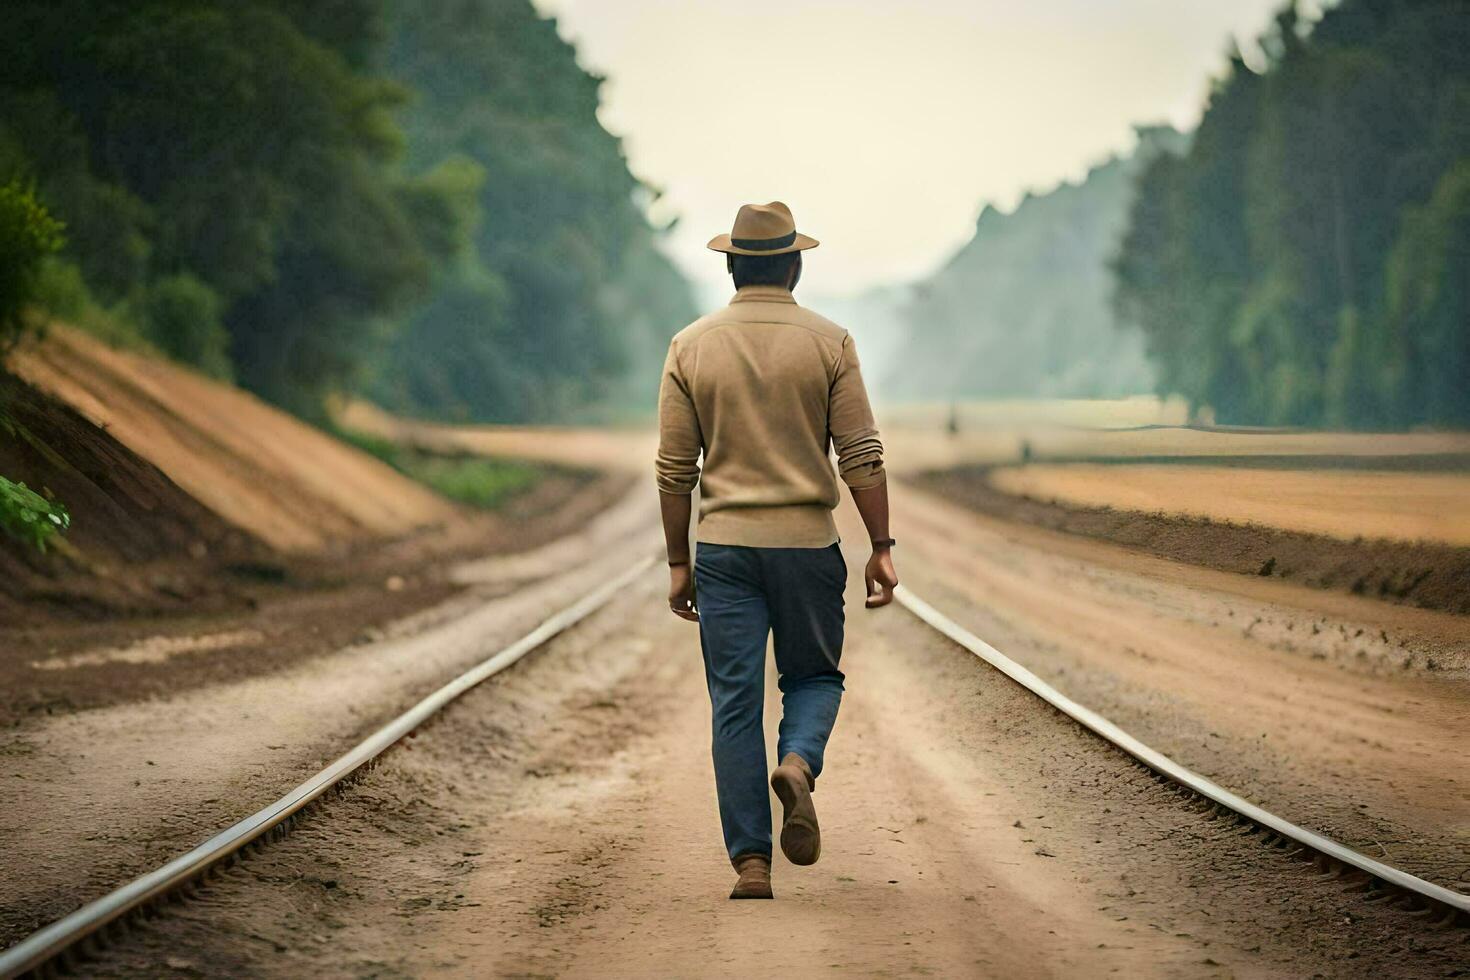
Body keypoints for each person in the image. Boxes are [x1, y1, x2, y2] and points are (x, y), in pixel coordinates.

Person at [655, 201, 899, 900]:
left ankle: (752, 864)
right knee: (815, 679)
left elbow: (675, 469)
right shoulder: (831, 343)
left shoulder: (690, 346)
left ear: (731, 266)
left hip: (726, 550)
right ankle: (797, 761)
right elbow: (862, 454)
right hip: (807, 546)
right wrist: (880, 545)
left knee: (734, 703)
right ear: (794, 265)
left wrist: (680, 563)